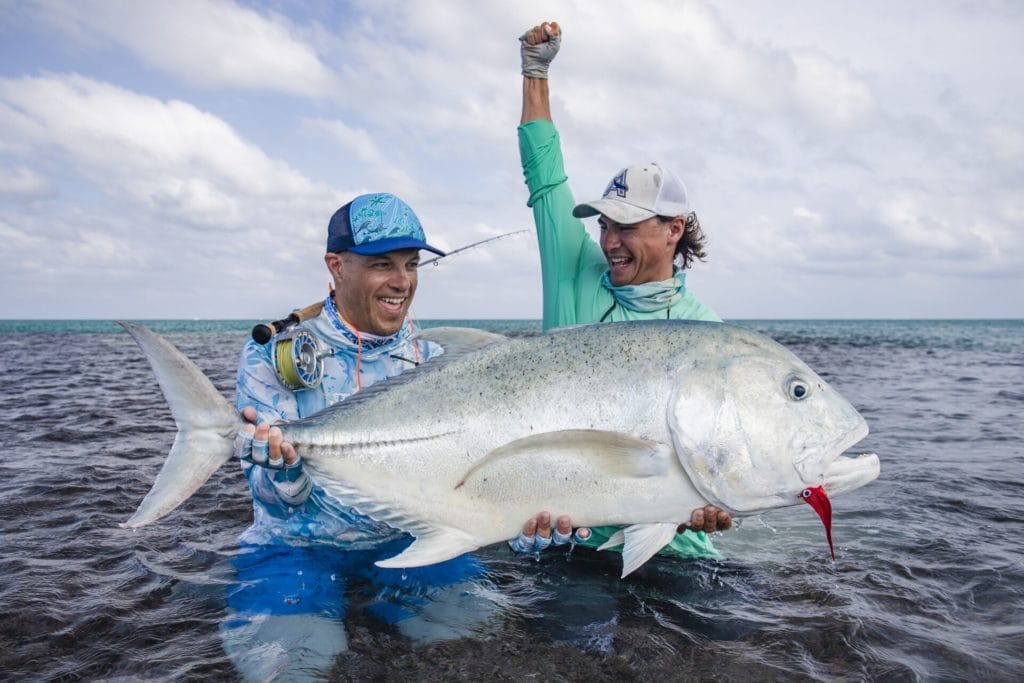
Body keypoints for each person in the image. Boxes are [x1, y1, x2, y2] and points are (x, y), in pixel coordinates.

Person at [225, 193, 493, 679]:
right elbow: (271, 500)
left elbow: (461, 480)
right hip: (292, 545)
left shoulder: (435, 359)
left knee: (470, 651)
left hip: (406, 541)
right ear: (336, 266)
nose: (402, 282)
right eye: (382, 264)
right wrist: (283, 472)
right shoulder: (272, 353)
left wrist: (528, 522)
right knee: (293, 668)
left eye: (411, 265)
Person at [511, 21, 732, 559]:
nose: (609, 241)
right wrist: (534, 73)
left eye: (627, 227)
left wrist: (718, 504)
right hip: (572, 542)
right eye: (604, 225)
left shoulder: (707, 335)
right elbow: (545, 176)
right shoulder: (575, 275)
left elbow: (725, 464)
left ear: (674, 229)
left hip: (678, 555)